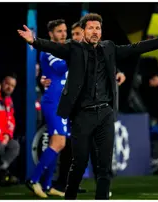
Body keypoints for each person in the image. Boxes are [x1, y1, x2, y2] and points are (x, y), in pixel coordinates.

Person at [18, 13, 158, 199]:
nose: (95, 31)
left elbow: (135, 48)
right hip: (82, 115)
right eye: (91, 28)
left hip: (105, 113)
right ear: (83, 31)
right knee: (79, 164)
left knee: (104, 167)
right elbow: (52, 46)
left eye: (98, 28)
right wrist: (33, 40)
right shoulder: (74, 49)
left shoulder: (109, 48)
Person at [42, 21, 126, 196]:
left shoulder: (101, 50)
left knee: (99, 159)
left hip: (101, 111)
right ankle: (54, 184)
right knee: (74, 156)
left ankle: (95, 189)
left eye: (97, 28)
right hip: (74, 110)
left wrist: (117, 72)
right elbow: (53, 68)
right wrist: (42, 80)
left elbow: (113, 60)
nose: (67, 35)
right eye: (75, 33)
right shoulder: (70, 51)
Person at [26, 19, 68, 198]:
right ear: (51, 34)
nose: (63, 34)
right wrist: (76, 57)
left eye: (64, 31)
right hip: (53, 103)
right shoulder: (48, 49)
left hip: (63, 103)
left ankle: (47, 184)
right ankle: (33, 180)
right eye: (59, 31)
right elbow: (59, 68)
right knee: (58, 142)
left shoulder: (65, 50)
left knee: (57, 143)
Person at [0, 74, 20, 184]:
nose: (9, 88)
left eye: (12, 86)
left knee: (14, 145)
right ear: (2, 82)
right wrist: (1, 136)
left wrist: (8, 135)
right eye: (7, 84)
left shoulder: (9, 100)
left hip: (4, 137)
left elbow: (11, 121)